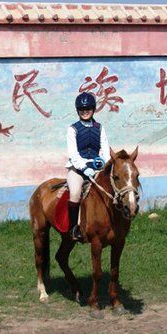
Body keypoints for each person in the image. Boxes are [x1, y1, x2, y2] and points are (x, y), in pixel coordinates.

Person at [65, 92, 111, 243]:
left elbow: (105, 149)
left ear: (93, 109)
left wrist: (102, 162)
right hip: (77, 169)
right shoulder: (73, 129)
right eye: (82, 109)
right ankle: (74, 229)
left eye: (88, 109)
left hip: (97, 168)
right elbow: (73, 154)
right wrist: (84, 167)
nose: (85, 112)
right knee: (76, 192)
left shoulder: (100, 128)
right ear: (78, 110)